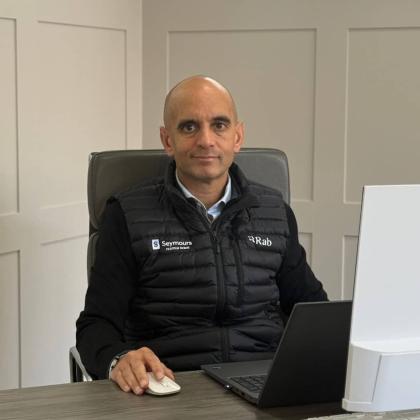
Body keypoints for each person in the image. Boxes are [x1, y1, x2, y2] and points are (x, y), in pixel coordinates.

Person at [76, 75, 327, 396]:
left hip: (266, 380)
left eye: (219, 125)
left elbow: (313, 310)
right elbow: (96, 325)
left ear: (237, 136)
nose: (206, 140)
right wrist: (119, 358)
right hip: (171, 385)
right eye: (189, 127)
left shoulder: (274, 211)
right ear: (168, 140)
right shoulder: (127, 215)